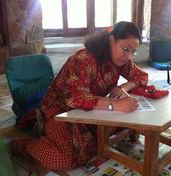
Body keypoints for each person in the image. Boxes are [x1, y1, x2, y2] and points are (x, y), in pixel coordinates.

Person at [10, 21, 149, 171]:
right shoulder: (83, 58)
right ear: (111, 40)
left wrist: (123, 86)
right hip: (61, 111)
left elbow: (142, 76)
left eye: (132, 51)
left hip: (91, 110)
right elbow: (76, 98)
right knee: (63, 160)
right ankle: (23, 146)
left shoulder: (121, 61)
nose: (128, 57)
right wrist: (115, 104)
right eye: (126, 49)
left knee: (119, 127)